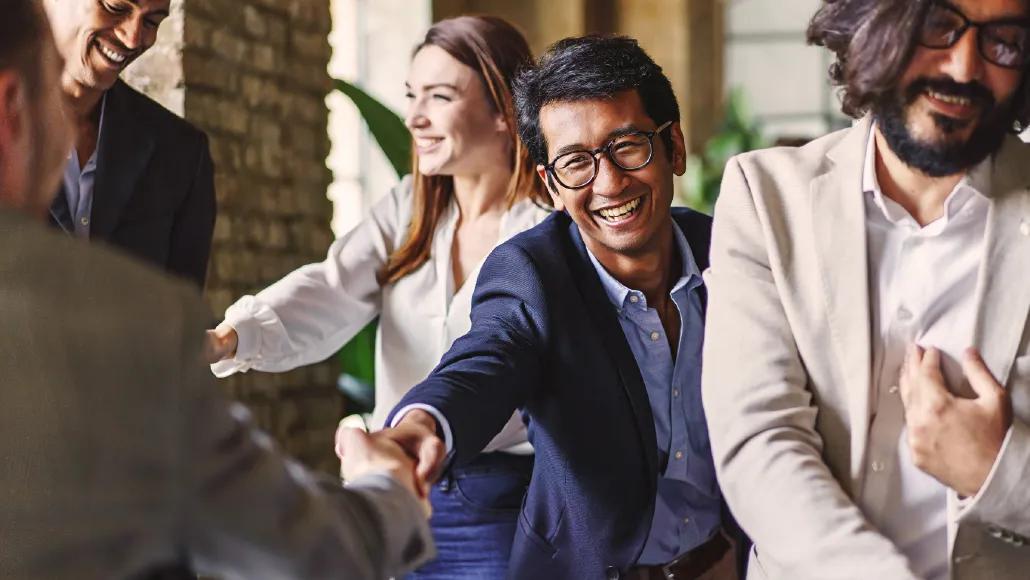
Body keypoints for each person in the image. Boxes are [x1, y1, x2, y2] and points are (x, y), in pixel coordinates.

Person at [0, 2, 432, 578]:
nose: (134, 34)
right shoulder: (141, 323)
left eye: (153, 16)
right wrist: (388, 488)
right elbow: (300, 545)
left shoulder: (175, 154)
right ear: (12, 112)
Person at [352, 35, 746, 579]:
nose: (608, 183)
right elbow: (483, 363)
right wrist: (416, 430)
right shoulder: (532, 273)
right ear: (551, 185)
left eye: (628, 146)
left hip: (727, 562)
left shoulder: (732, 252)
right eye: (575, 163)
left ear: (673, 145)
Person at [205, 16, 551, 579]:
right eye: (412, 95)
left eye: (439, 97)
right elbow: (331, 287)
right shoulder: (407, 209)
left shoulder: (548, 229)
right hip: (397, 493)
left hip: (505, 506)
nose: (415, 117)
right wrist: (228, 338)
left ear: (503, 110)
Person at [702, 0, 1030, 578]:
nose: (963, 69)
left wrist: (997, 473)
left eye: (1003, 39)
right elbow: (758, 441)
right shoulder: (765, 197)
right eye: (937, 26)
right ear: (876, 25)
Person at [41, 0, 216, 289]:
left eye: (152, 22)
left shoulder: (182, 153)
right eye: (116, 7)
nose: (133, 38)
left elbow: (182, 321)